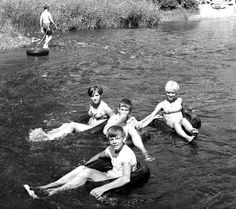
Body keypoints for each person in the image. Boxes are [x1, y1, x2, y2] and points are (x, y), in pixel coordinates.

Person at [24, 125, 137, 199]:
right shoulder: (111, 149)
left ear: (123, 138)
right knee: (82, 169)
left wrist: (103, 188)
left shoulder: (126, 155)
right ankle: (45, 187)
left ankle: (51, 193)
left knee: (86, 173)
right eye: (111, 139)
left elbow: (126, 178)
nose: (114, 142)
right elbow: (99, 155)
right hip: (109, 174)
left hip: (116, 179)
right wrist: (87, 164)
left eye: (117, 138)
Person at [29, 85, 114, 141]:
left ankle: (49, 138)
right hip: (88, 124)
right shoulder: (92, 103)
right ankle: (49, 132)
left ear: (100, 95)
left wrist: (107, 127)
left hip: (93, 127)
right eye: (92, 96)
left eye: (96, 95)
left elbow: (115, 118)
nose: (94, 98)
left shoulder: (105, 107)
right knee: (66, 124)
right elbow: (89, 115)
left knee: (72, 125)